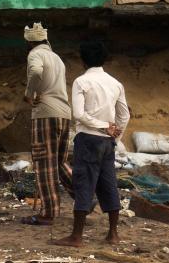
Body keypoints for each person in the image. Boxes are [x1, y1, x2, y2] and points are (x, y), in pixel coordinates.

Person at [51, 41, 129, 248]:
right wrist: (115, 136)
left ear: (82, 60)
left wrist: (103, 126)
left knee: (84, 184)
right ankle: (113, 233)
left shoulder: (81, 81)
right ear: (104, 59)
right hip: (107, 143)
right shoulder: (115, 83)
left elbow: (78, 114)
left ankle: (76, 236)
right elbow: (124, 115)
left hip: (88, 139)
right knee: (108, 183)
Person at [20, 23, 73, 226]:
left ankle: (48, 213)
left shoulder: (35, 54)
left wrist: (29, 94)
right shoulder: (57, 58)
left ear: (30, 41)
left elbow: (35, 72)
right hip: (64, 114)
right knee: (59, 163)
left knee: (44, 164)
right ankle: (86, 197)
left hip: (45, 114)